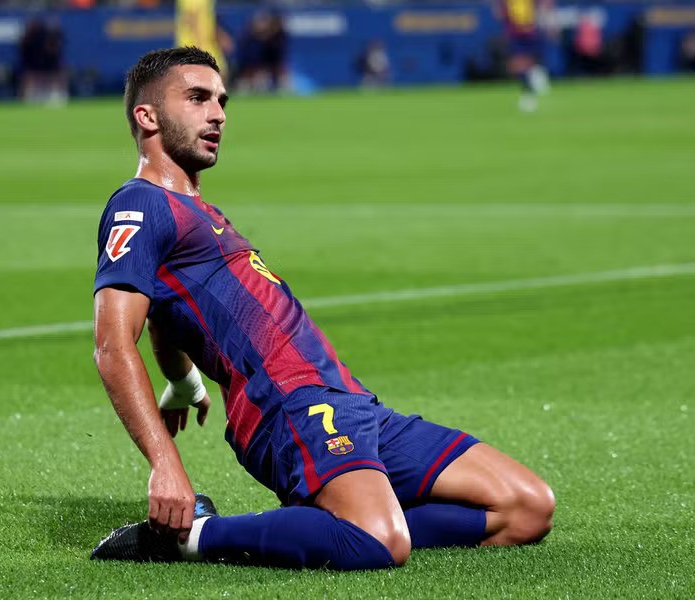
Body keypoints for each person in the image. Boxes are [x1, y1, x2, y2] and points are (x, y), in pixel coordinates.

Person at [90, 47, 555, 570]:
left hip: (350, 401)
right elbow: (112, 344)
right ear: (147, 116)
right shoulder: (139, 204)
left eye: (221, 101)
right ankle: (186, 538)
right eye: (197, 98)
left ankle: (339, 523)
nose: (217, 113)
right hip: (289, 406)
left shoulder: (196, 209)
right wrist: (165, 464)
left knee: (527, 508)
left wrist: (181, 381)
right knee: (380, 542)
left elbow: (164, 310)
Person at [498, 0, 553, 112]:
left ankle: (532, 84)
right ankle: (528, 90)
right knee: (519, 63)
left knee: (527, 60)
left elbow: (545, 5)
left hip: (529, 31)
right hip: (515, 33)